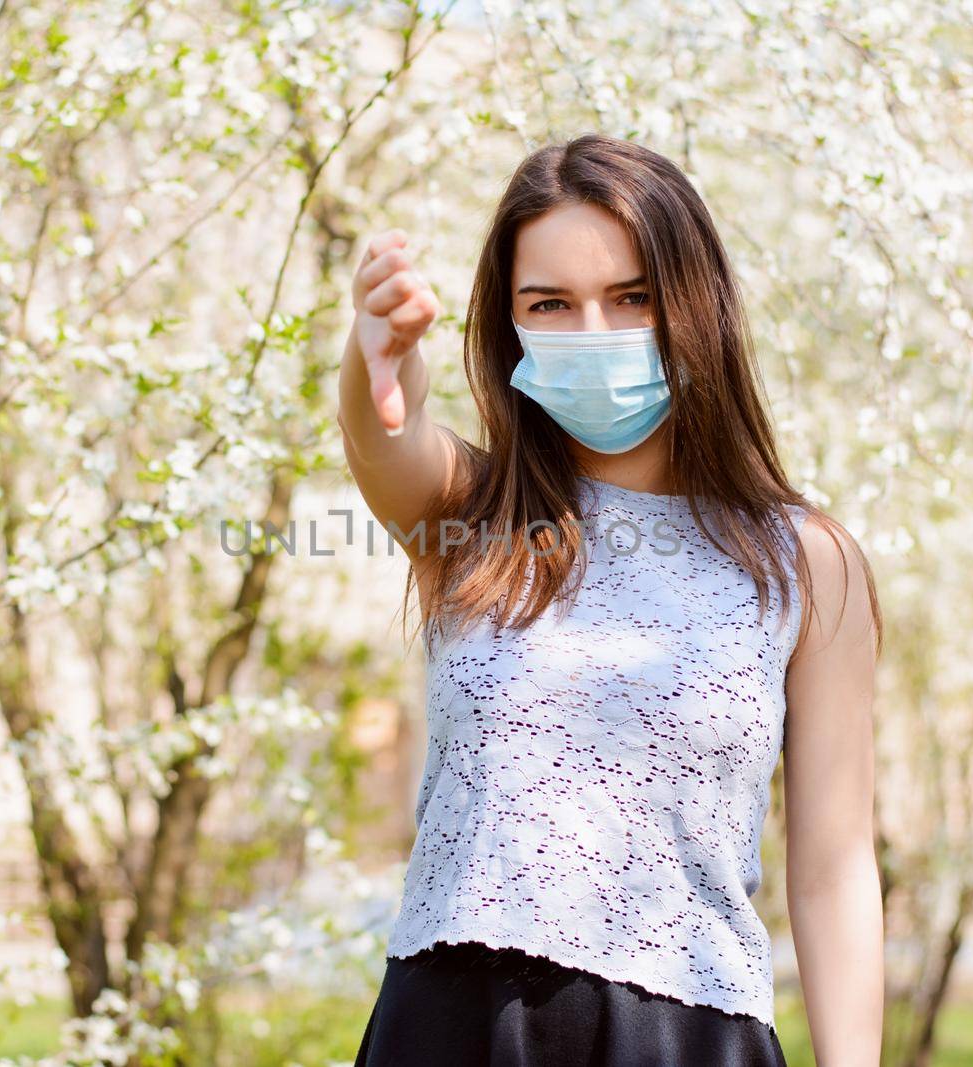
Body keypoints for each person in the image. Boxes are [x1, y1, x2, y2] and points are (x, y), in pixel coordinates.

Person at [338, 133, 883, 1067]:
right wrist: (373, 360)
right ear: (509, 326)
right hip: (452, 1029)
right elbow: (387, 438)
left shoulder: (807, 560)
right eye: (549, 303)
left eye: (631, 296)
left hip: (683, 1030)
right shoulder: (469, 514)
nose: (593, 332)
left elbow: (834, 868)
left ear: (695, 302)